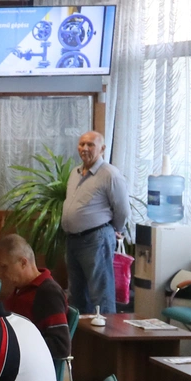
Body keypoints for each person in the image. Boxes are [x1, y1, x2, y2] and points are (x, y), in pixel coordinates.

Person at [61, 131, 129, 317]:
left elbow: (122, 210)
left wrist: (116, 230)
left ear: (102, 149)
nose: (84, 148)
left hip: (96, 240)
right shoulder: (75, 173)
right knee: (76, 295)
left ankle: (108, 333)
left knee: (101, 294)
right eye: (81, 144)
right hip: (73, 240)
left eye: (90, 145)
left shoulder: (110, 174)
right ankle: (82, 334)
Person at [0, 234, 71, 361]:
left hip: (27, 365)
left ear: (23, 263)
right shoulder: (21, 286)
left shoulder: (48, 293)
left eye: (4, 267)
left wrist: (16, 344)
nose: (1, 274)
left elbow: (61, 346)